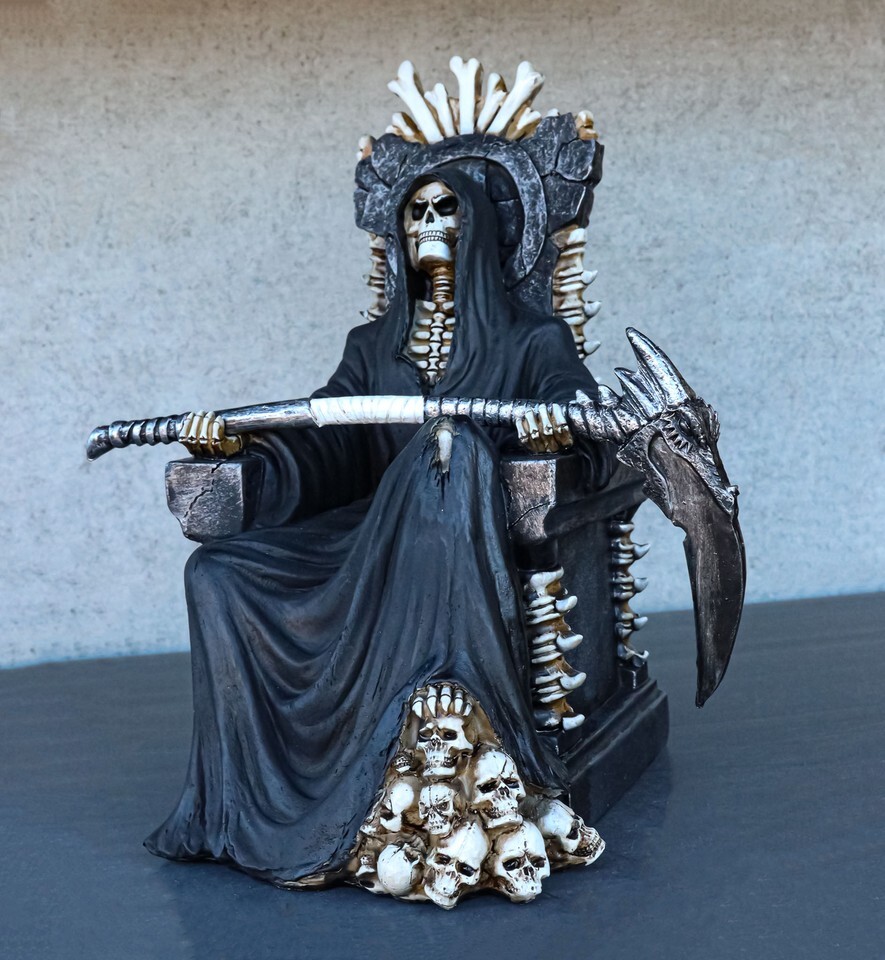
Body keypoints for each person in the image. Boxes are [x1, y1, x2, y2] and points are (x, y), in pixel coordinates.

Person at [145, 165, 614, 885]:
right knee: (216, 574)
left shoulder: (532, 339)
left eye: (445, 209)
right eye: (414, 213)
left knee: (451, 449)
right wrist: (239, 451)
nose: (427, 224)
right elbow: (326, 444)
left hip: (465, 536)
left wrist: (553, 431)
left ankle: (450, 689)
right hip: (368, 535)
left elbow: (583, 419)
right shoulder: (370, 346)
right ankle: (250, 803)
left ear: (479, 227)